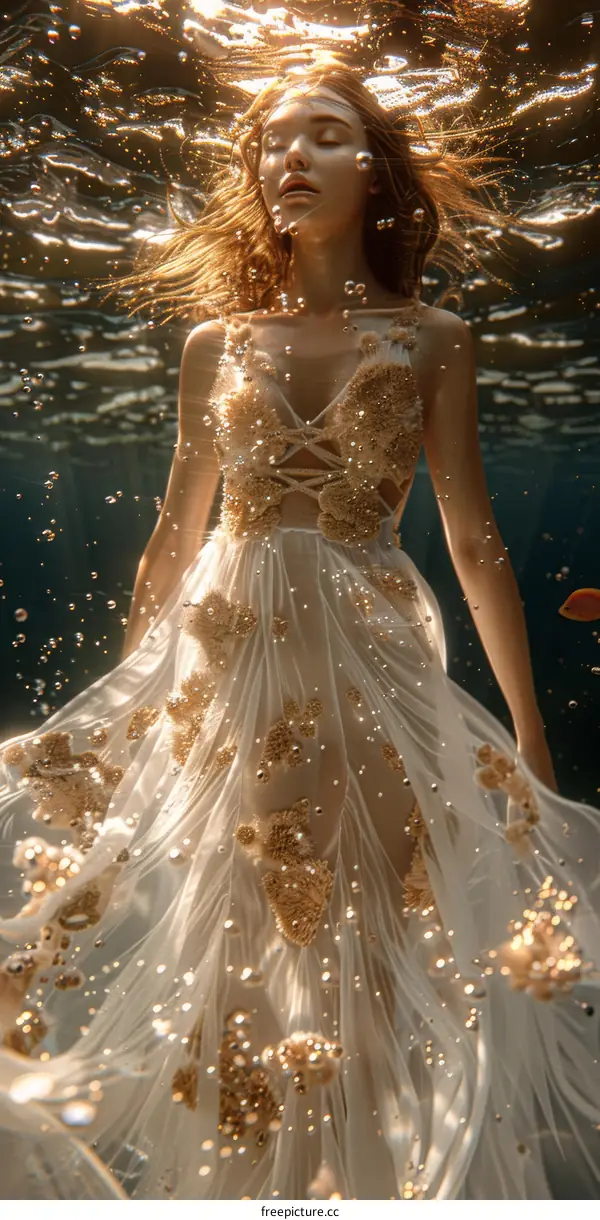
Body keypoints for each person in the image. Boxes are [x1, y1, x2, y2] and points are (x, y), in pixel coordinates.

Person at [0, 63, 599, 1201]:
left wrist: (527, 725)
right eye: (274, 141)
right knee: (233, 960)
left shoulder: (434, 336)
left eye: (323, 134)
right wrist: (129, 711)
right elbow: (173, 536)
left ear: (375, 169)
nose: (291, 158)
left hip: (374, 668)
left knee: (364, 954)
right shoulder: (214, 343)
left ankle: (362, 1190)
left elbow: (474, 542)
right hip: (228, 675)